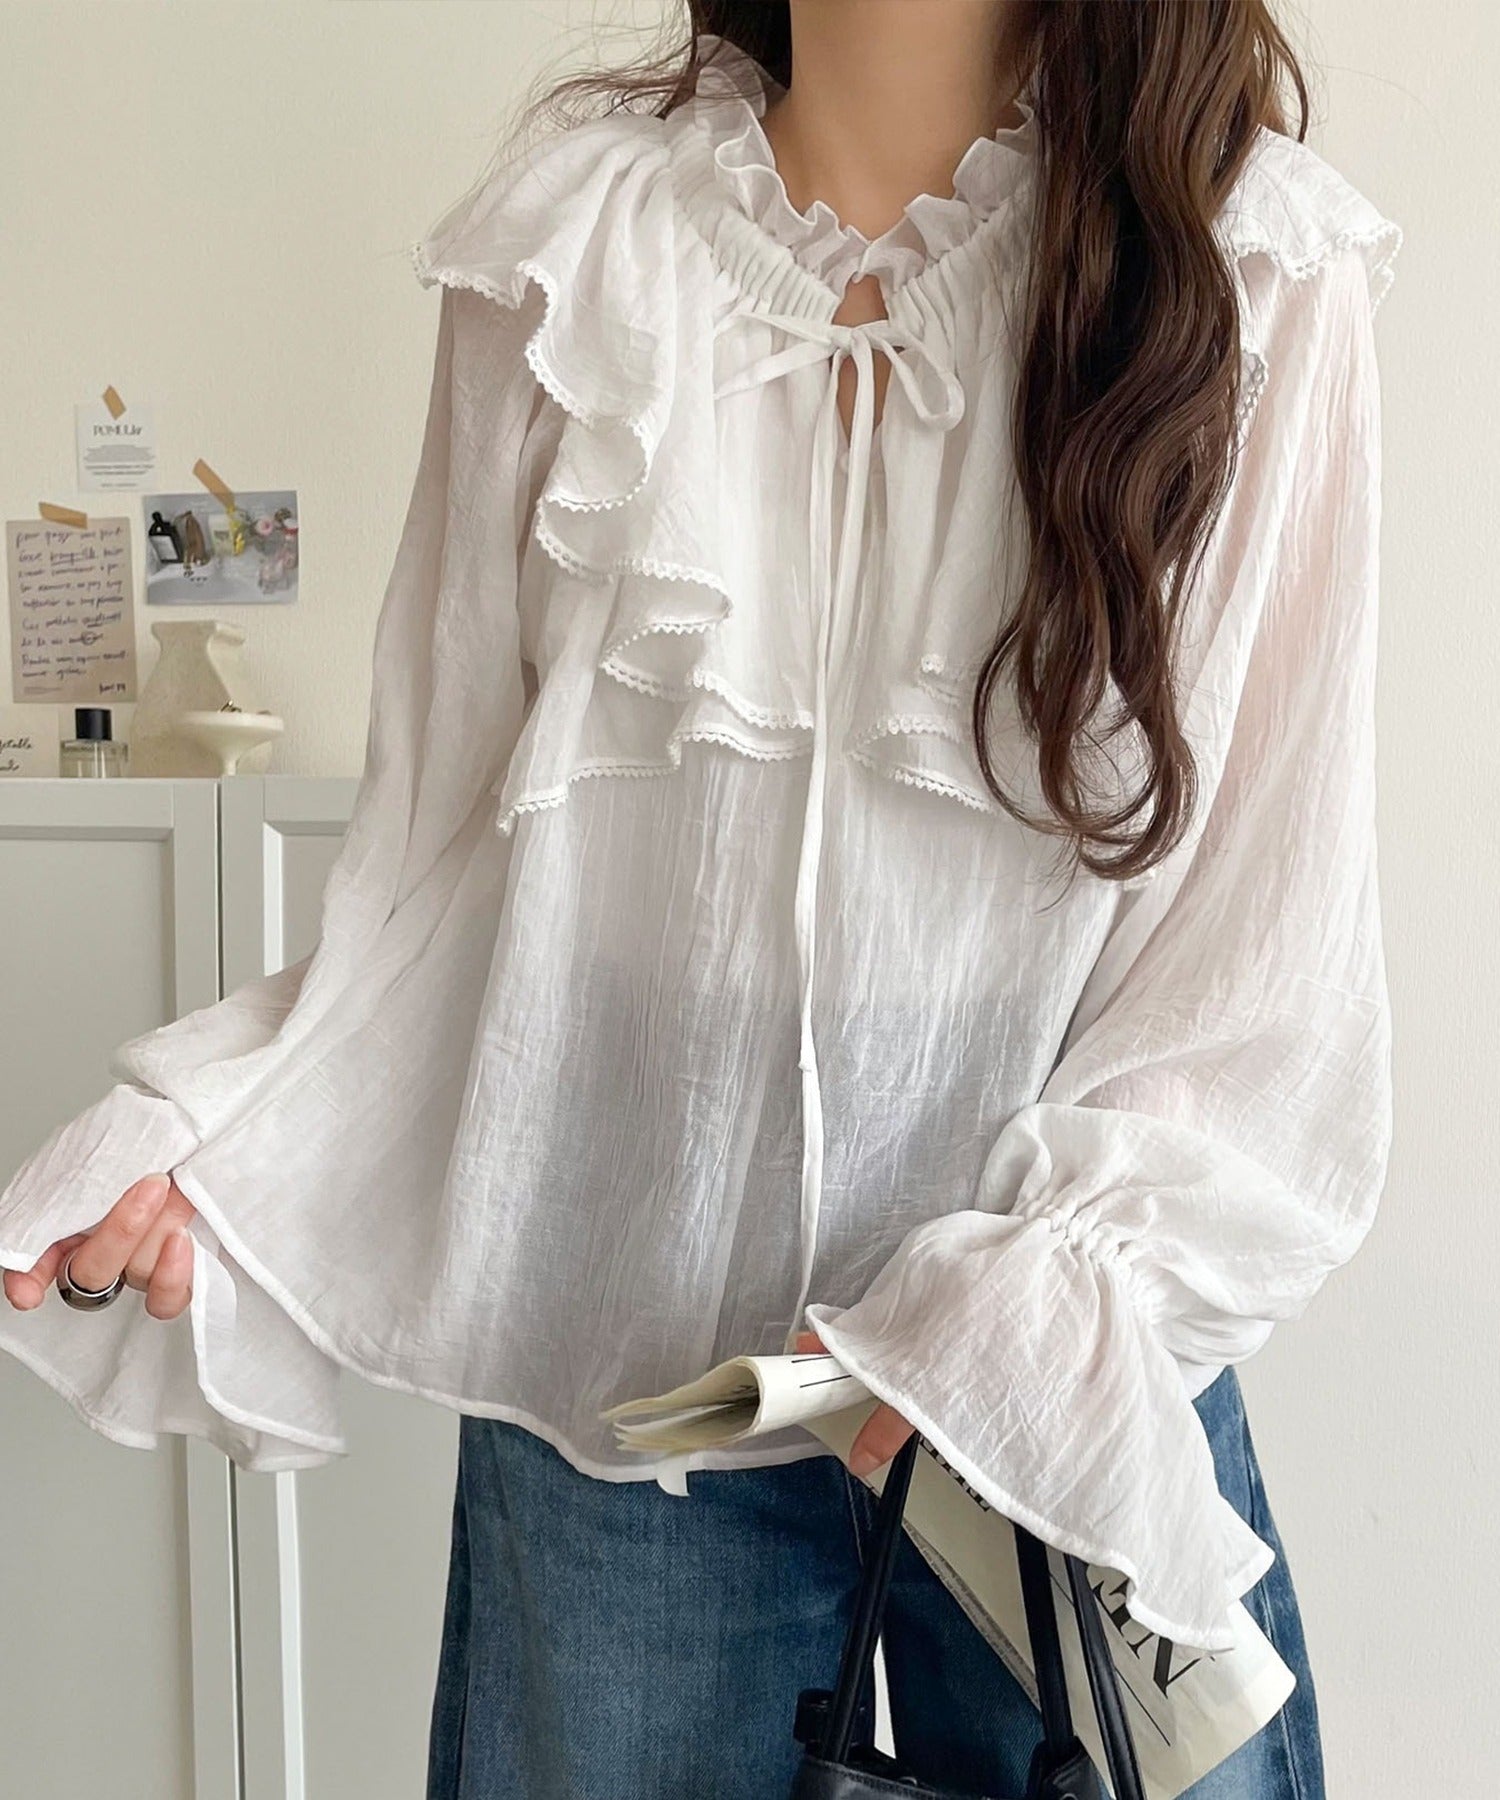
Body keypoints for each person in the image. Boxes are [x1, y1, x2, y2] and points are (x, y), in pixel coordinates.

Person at [1, 3, 1400, 1795]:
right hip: (629, 1376)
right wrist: (227, 1131)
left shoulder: (1248, 266)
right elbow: (442, 867)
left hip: (1049, 1375)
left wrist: (1059, 1291)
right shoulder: (566, 255)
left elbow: (1263, 946)